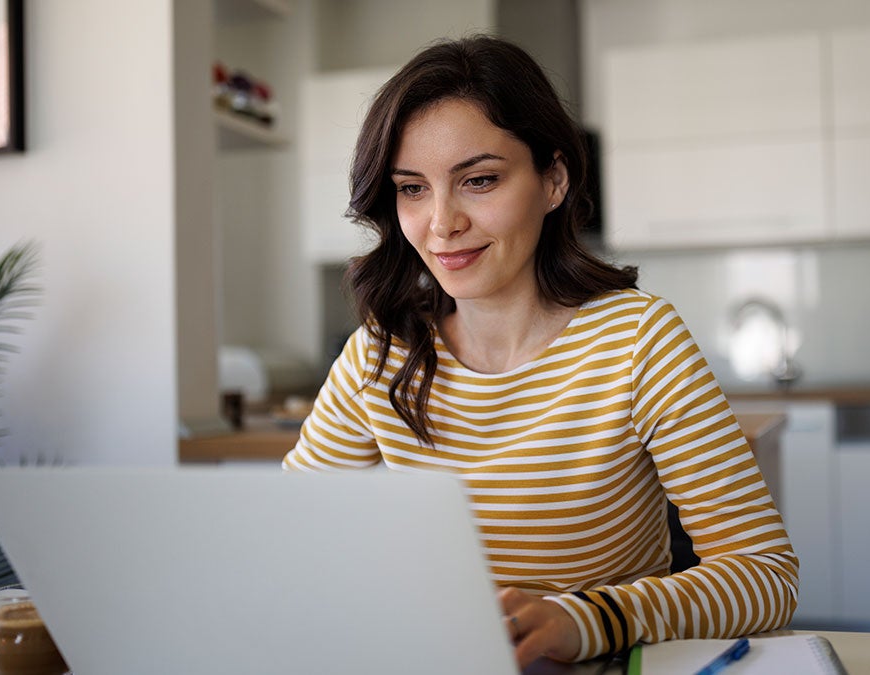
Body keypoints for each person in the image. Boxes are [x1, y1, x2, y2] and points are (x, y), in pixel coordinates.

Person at [282, 35, 798, 669]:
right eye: (412, 189)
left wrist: (586, 619)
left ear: (553, 180)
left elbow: (765, 574)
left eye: (479, 181)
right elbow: (290, 545)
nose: (442, 223)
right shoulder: (379, 355)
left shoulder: (638, 340)